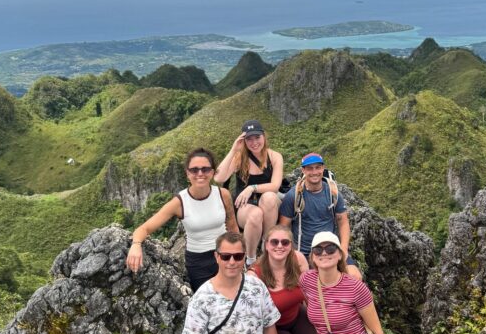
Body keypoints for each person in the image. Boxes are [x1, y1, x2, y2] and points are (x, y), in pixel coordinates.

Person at [126, 149, 238, 292]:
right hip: (199, 262)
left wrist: (241, 255)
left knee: (234, 296)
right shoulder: (180, 202)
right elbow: (144, 228)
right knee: (208, 300)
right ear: (187, 173)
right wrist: (136, 245)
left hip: (226, 254)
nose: (200, 173)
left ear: (212, 172)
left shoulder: (223, 195)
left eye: (205, 169)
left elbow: (233, 228)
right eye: (194, 170)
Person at [249, 225, 320, 334]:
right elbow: (254, 321)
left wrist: (319, 324)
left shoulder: (298, 259)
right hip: (272, 327)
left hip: (296, 314)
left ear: (291, 245)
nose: (280, 246)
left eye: (285, 242)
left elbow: (309, 294)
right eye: (274, 242)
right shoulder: (254, 276)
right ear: (266, 245)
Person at [279, 153, 362, 281]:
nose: (314, 172)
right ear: (303, 170)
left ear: (323, 169)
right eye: (310, 168)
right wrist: (291, 253)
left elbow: (343, 222)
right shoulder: (293, 196)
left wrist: (343, 249)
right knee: (306, 284)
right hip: (305, 253)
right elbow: (283, 228)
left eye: (318, 167)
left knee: (355, 277)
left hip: (331, 249)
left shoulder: (333, 193)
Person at [214, 120, 284, 268]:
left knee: (269, 197)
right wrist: (233, 150)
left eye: (257, 137)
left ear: (264, 136)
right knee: (256, 214)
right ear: (244, 141)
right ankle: (250, 259)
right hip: (245, 206)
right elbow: (219, 178)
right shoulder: (240, 158)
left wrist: (252, 187)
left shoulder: (274, 157)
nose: (254, 143)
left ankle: (266, 245)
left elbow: (275, 186)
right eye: (249, 139)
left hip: (269, 205)